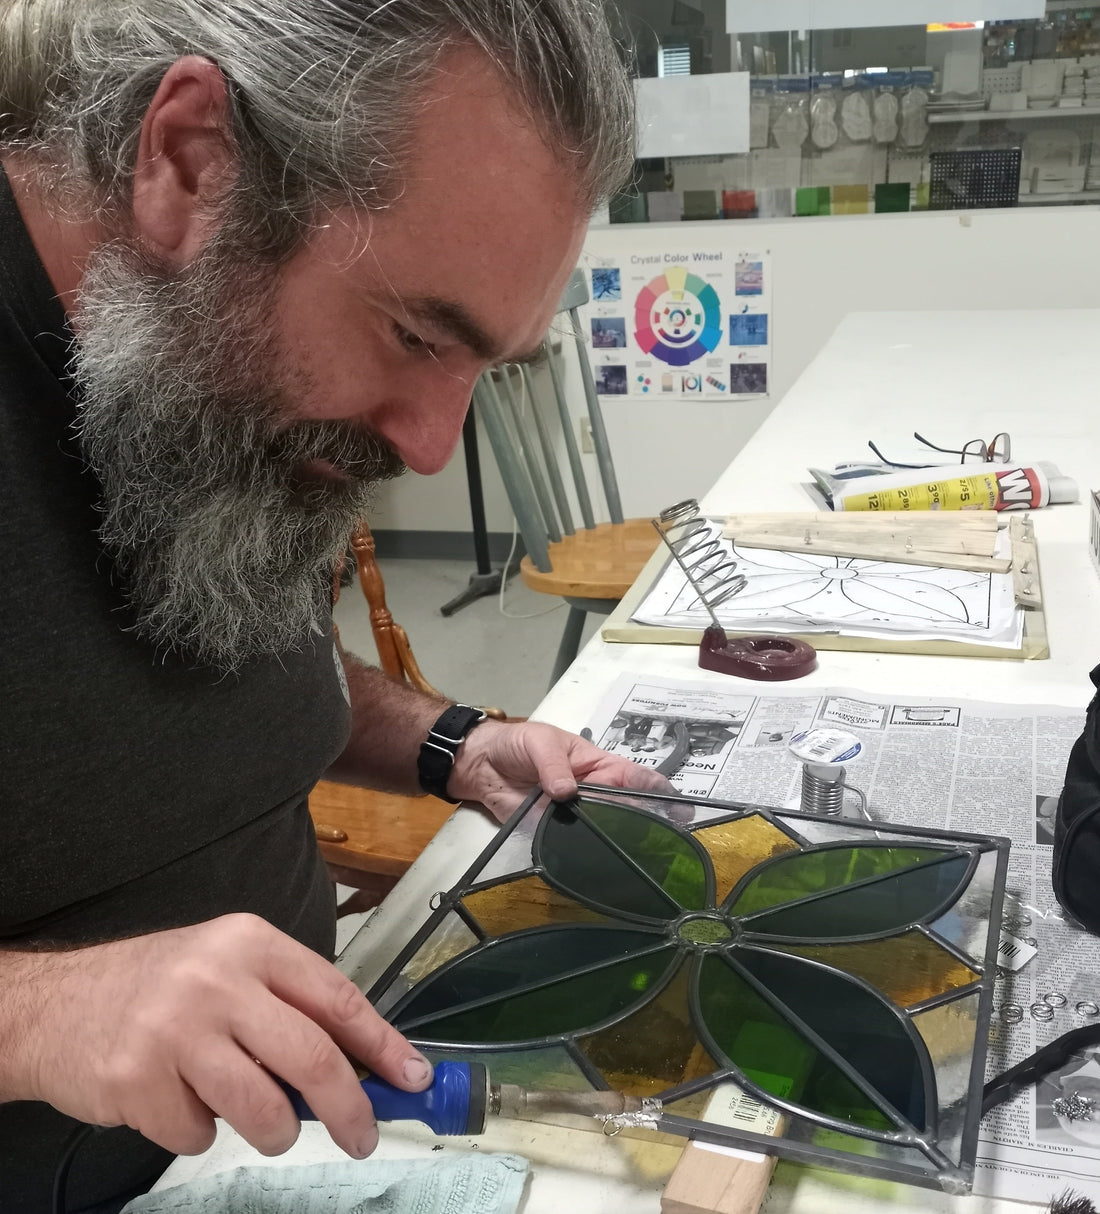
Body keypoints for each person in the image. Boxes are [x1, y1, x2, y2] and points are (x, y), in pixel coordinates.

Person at [0, 1, 664, 1208]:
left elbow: (241, 652)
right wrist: (42, 1013)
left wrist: (454, 742)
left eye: (485, 369)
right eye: (415, 332)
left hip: (321, 1117)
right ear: (192, 160)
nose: (428, 445)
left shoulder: (210, 385)